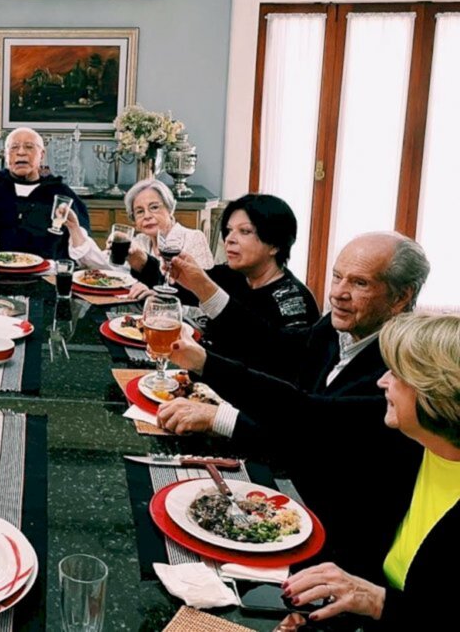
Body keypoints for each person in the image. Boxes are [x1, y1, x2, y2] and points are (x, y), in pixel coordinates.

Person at [156, 232, 430, 578]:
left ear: (401, 296)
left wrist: (208, 369)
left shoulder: (402, 371)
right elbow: (274, 349)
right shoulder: (338, 329)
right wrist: (202, 286)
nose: (338, 293)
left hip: (338, 552)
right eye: (336, 276)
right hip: (288, 498)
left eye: (359, 283)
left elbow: (309, 417)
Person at [277, 313, 460, 630]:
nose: (382, 381)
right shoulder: (412, 447)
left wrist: (376, 602)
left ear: (436, 394)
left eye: (397, 374)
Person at [142, 193, 320, 335]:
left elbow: (268, 357)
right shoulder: (232, 274)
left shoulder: (293, 303)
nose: (229, 240)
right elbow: (177, 290)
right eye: (228, 231)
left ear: (275, 245)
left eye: (244, 231)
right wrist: (139, 260)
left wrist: (205, 287)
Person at [0, 127, 91, 259]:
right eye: (14, 148)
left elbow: (82, 247)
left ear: (42, 155)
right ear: (6, 156)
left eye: (29, 147)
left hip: (45, 277)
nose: (21, 152)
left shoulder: (61, 193)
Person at [121, 179, 214, 283]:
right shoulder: (140, 241)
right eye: (140, 211)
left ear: (170, 209)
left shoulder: (194, 238)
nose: (147, 216)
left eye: (154, 207)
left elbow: (203, 289)